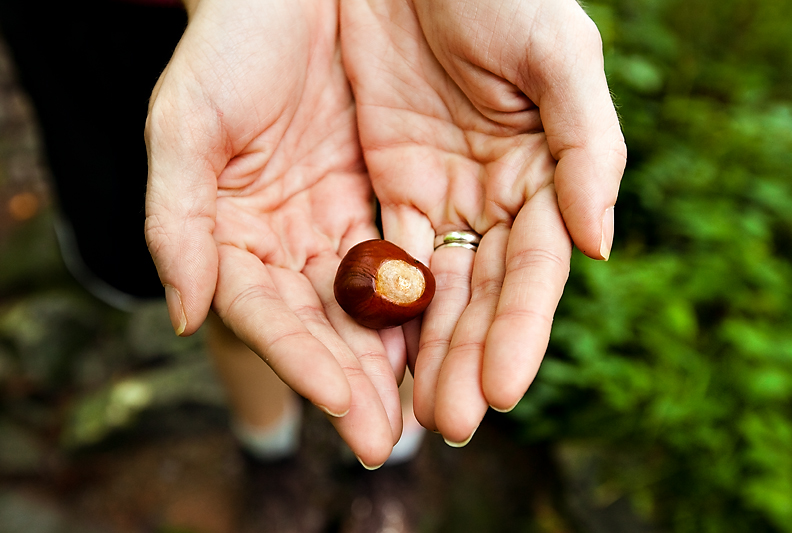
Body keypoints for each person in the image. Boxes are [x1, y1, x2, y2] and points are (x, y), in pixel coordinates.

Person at [146, 0, 626, 468]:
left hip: (407, 148)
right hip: (174, 41)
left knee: (429, 329)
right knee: (233, 279)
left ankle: (393, 456)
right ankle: (266, 447)